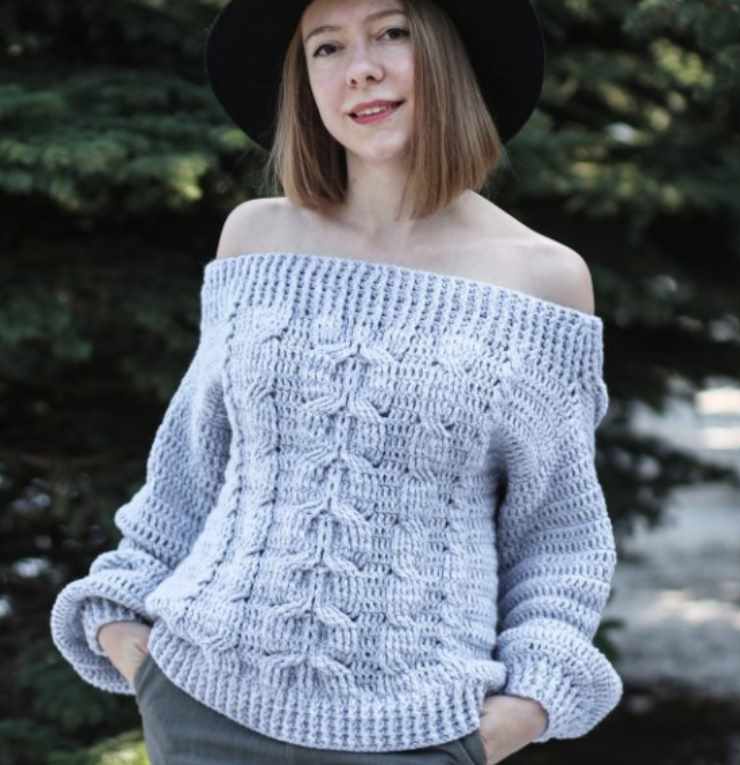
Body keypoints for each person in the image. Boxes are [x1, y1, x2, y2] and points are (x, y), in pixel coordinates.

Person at [49, 0, 623, 763]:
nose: (361, 70)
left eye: (392, 33)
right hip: (202, 707)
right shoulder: (255, 239)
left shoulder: (543, 281)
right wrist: (129, 639)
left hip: (418, 732)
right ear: (305, 80)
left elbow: (558, 539)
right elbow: (189, 469)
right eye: (327, 47)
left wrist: (515, 714)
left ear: (448, 55)